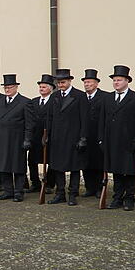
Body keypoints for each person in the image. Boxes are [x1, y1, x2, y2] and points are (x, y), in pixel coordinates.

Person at [98, 65, 135, 211]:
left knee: (129, 170)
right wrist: (101, 138)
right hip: (112, 140)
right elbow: (102, 120)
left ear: (127, 81)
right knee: (116, 170)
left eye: (119, 80)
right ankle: (117, 197)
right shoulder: (108, 98)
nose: (116, 82)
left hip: (129, 140)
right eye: (114, 80)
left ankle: (129, 198)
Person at [46, 69, 88, 206]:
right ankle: (60, 193)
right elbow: (49, 118)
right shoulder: (54, 96)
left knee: (74, 167)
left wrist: (83, 137)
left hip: (73, 137)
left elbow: (84, 118)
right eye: (58, 83)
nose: (60, 85)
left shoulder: (80, 96)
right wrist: (47, 135)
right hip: (57, 138)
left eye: (63, 82)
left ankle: (73, 194)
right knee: (57, 167)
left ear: (70, 81)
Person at [0, 75, 31, 202]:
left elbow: (30, 124)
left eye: (10, 87)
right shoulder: (0, 102)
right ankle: (8, 190)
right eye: (5, 88)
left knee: (18, 166)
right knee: (4, 166)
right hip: (3, 139)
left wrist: (27, 139)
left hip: (17, 139)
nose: (7, 90)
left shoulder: (25, 102)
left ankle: (18, 191)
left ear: (16, 87)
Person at [27, 75, 56, 193]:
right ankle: (35, 183)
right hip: (35, 136)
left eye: (44, 87)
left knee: (51, 160)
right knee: (32, 160)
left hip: (50, 135)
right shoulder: (33, 102)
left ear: (50, 88)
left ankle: (49, 184)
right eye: (40, 87)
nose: (41, 89)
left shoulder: (55, 101)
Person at [81, 69, 107, 198]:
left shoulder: (104, 97)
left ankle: (99, 188)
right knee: (86, 163)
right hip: (84, 135)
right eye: (85, 82)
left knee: (99, 163)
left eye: (89, 82)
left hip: (98, 134)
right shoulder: (80, 97)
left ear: (96, 83)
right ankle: (89, 187)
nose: (87, 85)